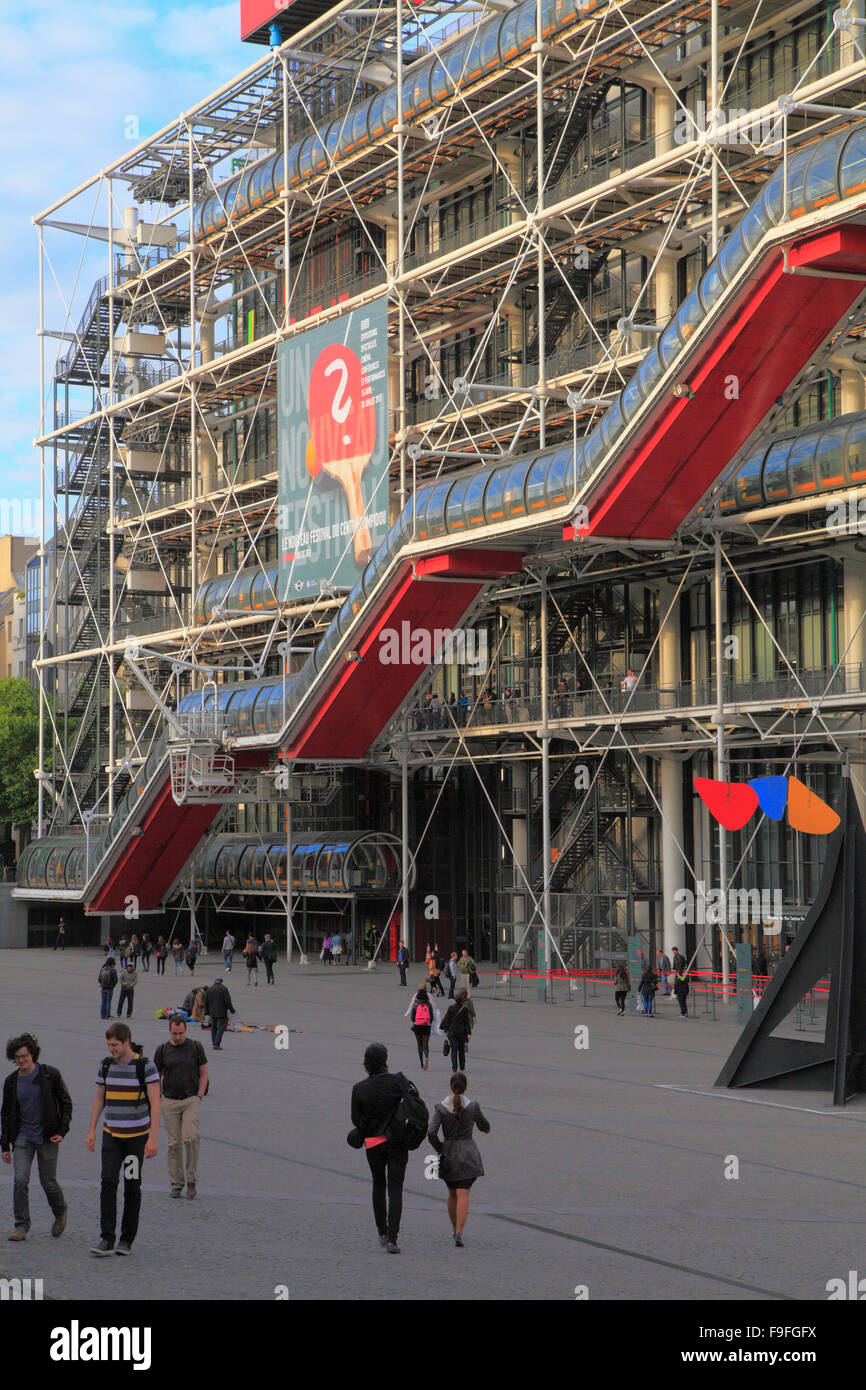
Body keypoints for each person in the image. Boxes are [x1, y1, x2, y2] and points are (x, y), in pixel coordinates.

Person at [86, 1022, 160, 1256]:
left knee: (131, 1186)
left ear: (126, 1041)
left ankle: (126, 1239)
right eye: (108, 1045)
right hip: (112, 1137)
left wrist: (153, 1139)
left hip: (135, 1139)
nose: (111, 1049)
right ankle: (106, 1237)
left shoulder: (145, 1066)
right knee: (108, 1181)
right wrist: (92, 1129)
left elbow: (156, 1103)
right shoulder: (106, 1065)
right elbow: (99, 1099)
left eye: (115, 1045)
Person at [1, 1033, 71, 1242]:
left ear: (33, 1054)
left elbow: (66, 1104)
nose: (21, 1061)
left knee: (48, 1181)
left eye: (24, 1056)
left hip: (47, 1136)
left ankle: (60, 1211)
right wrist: (5, 1144)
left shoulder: (50, 1075)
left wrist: (62, 1131)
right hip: (23, 1136)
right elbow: (5, 1114)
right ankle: (21, 1226)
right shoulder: (12, 1081)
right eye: (17, 1057)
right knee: (20, 1179)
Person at [349, 1043, 410, 1254]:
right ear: (385, 1060)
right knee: (395, 1189)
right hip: (397, 1142)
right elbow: (413, 1104)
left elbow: (356, 1120)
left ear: (366, 1063)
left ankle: (382, 1232)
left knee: (378, 1184)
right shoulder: (398, 1081)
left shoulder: (359, 1088)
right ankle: (393, 1239)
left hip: (374, 1143)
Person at [427, 1071, 490, 1248]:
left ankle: (454, 1227)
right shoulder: (473, 1106)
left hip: (448, 1153)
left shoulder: (441, 1107)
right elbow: (484, 1126)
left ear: (450, 1087)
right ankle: (459, 1232)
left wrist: (440, 1147)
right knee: (464, 1193)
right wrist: (484, 1127)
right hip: (468, 1153)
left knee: (452, 1193)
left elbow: (431, 1132)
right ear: (466, 1087)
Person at [154, 1018, 208, 1200]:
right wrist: (158, 1097)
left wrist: (199, 1095)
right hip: (169, 1101)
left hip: (191, 1099)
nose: (177, 1037)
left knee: (191, 1137)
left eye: (181, 1033)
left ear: (185, 1031)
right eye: (174, 1033)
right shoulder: (162, 1050)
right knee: (173, 1143)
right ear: (169, 1031)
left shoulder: (195, 1047)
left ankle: (192, 1179)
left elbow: (204, 1072)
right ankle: (176, 1183)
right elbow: (156, 1075)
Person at [441, 989, 475, 1072]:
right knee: (461, 1051)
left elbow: (447, 1020)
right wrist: (468, 1033)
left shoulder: (451, 1008)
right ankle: (462, 1066)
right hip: (461, 1032)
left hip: (452, 1032)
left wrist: (446, 1031)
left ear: (455, 1000)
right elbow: (466, 1022)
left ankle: (454, 1067)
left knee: (454, 1050)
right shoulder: (464, 1009)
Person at [205, 977, 235, 1050]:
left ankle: (214, 1042)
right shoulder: (224, 989)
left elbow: (206, 1001)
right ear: (221, 982)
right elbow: (227, 1001)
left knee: (213, 1027)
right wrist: (232, 1010)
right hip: (222, 1012)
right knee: (221, 1027)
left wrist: (206, 1011)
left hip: (212, 1012)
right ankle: (216, 1044)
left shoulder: (209, 989)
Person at [410, 987, 433, 1070]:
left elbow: (412, 1018)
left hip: (417, 1027)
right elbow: (431, 1017)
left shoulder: (416, 1004)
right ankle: (427, 1057)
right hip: (426, 1026)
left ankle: (421, 1063)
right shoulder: (428, 1004)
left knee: (419, 1045)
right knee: (425, 1045)